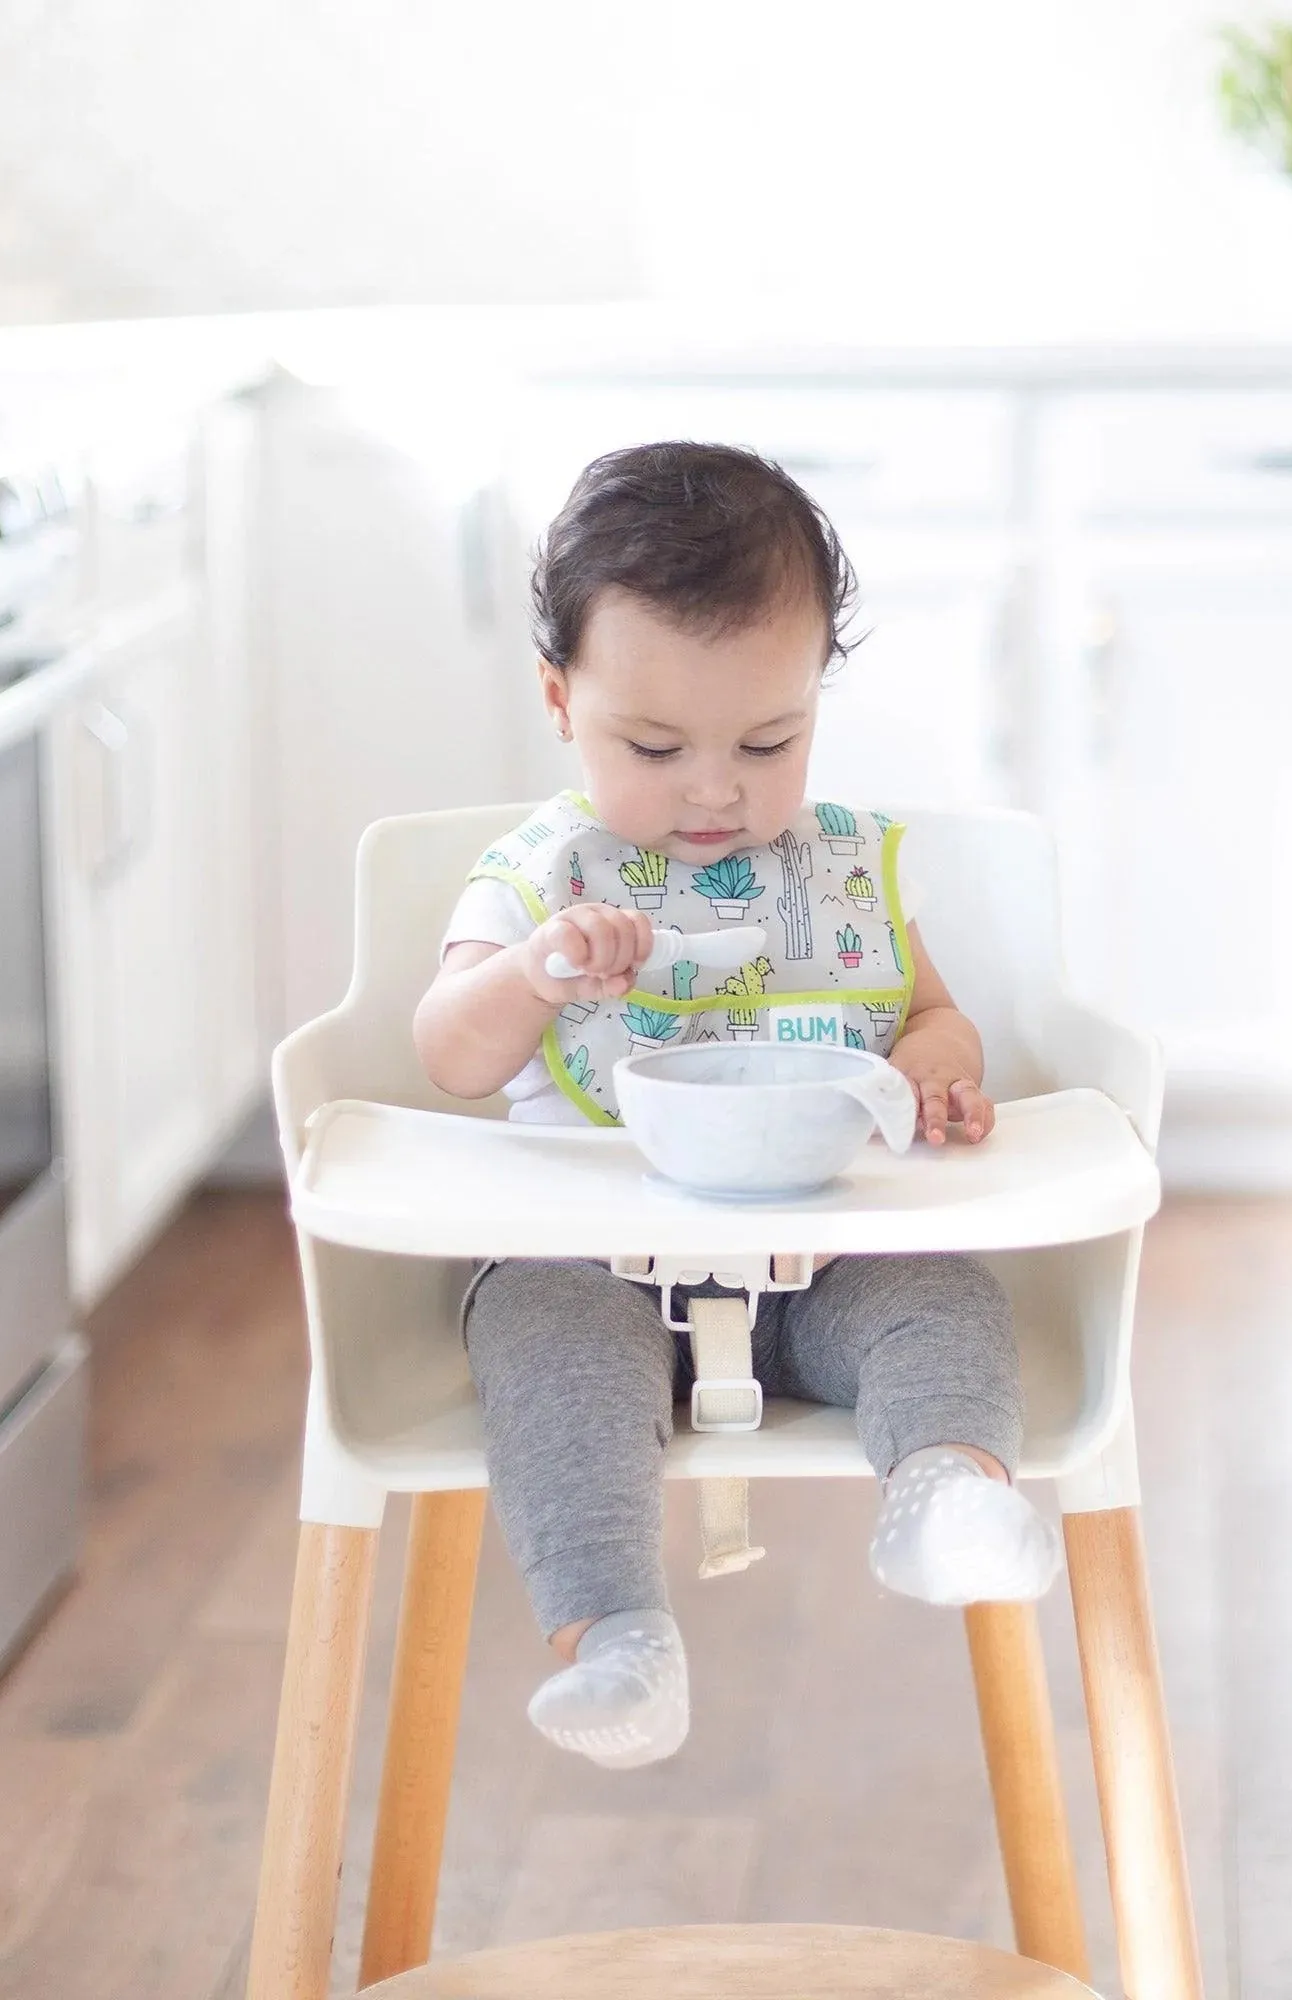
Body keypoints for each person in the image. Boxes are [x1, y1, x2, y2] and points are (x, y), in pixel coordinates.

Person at [412, 441, 1060, 1769]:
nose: (717, 789)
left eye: (769, 740)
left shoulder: (835, 872)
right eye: (656, 745)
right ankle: (616, 1641)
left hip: (826, 1261)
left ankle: (946, 1490)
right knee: (547, 1355)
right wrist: (536, 975)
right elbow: (449, 1060)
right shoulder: (538, 878)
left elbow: (929, 1011)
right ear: (559, 699)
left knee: (948, 1303)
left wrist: (942, 1065)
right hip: (595, 1272)